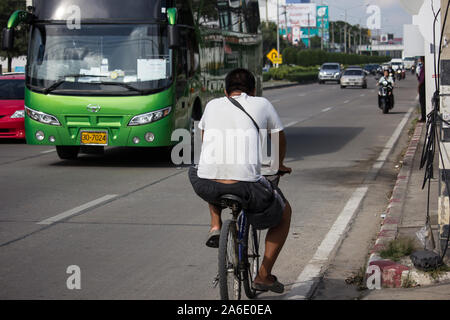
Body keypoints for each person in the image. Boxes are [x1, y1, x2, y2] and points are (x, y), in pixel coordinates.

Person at [189, 68, 292, 294]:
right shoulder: (262, 104)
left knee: (201, 169)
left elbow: (206, 140)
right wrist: (279, 164)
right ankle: (263, 275)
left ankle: (215, 224)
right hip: (246, 186)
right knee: (284, 214)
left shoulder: (212, 105)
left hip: (207, 185)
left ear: (226, 92)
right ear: (253, 91)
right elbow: (279, 138)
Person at [418, 56, 426, 122]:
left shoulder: (424, 67)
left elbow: (422, 79)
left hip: (423, 86)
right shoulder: (423, 66)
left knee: (422, 102)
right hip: (423, 85)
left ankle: (424, 117)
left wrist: (419, 86)